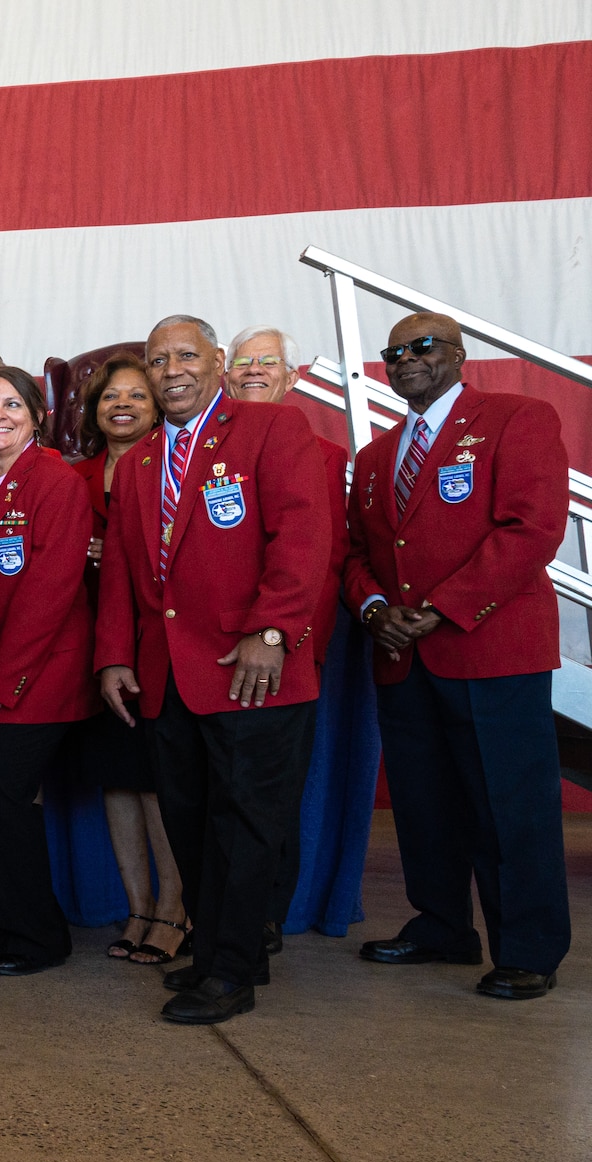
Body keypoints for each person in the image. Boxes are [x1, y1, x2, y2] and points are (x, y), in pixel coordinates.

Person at [97, 315, 328, 1025]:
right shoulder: (138, 463)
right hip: (168, 679)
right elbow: (123, 578)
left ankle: (231, 971)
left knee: (246, 825)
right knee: (192, 825)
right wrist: (113, 656)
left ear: (218, 362)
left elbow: (303, 534)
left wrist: (272, 628)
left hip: (248, 669)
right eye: (157, 358)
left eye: (186, 355)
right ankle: (223, 952)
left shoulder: (270, 431)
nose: (171, 369)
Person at [344, 313, 571, 999]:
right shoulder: (377, 456)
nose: (407, 358)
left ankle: (528, 948)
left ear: (458, 354)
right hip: (402, 655)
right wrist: (376, 610)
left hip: (490, 647)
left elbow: (532, 528)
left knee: (511, 805)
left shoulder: (517, 418)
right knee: (423, 803)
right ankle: (442, 925)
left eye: (422, 346)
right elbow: (358, 553)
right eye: (394, 352)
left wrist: (441, 608)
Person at [225, 325, 352, 951]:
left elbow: (322, 560)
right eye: (243, 362)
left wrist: (291, 642)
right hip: (212, 653)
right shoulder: (194, 449)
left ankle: (268, 915)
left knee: (272, 796)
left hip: (285, 652)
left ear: (293, 376)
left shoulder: (324, 455)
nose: (254, 371)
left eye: (267, 363)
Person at [0, 367, 95, 974]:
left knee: (1, 793)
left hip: (40, 671)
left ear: (36, 416)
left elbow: (49, 594)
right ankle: (6, 926)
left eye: (11, 404)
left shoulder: (56, 481)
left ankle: (37, 939)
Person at [71, 354, 186, 964]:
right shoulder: (75, 475)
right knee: (116, 779)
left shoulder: (178, 462)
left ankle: (175, 907)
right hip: (91, 643)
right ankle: (137, 907)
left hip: (161, 643)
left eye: (137, 396)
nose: (122, 405)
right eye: (110, 396)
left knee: (156, 783)